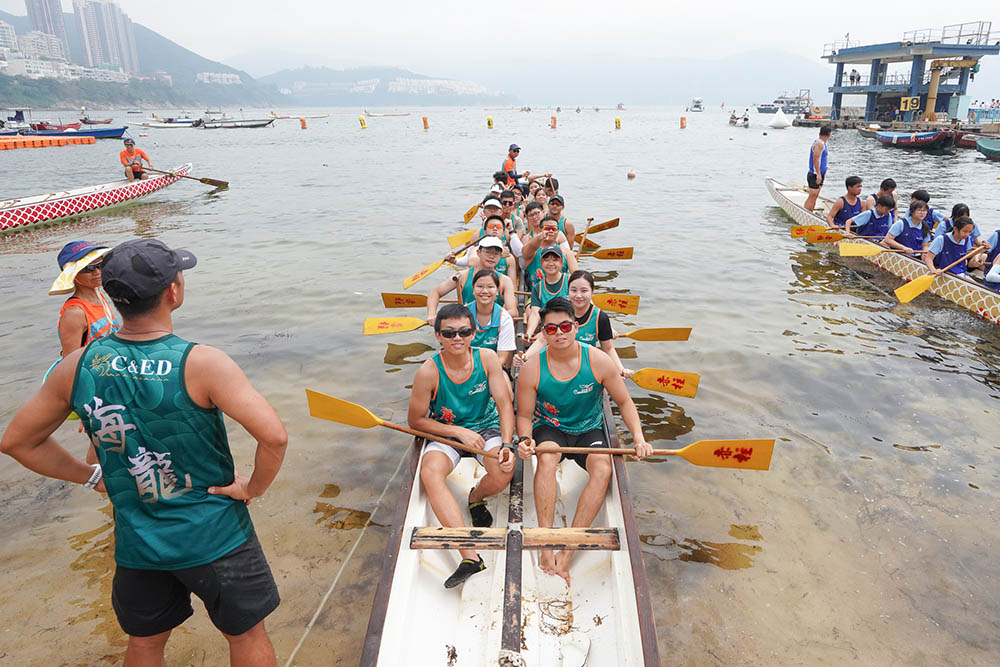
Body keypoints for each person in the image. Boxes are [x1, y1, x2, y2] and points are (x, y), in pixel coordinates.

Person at [0, 239, 288, 666]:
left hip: (139, 540)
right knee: (245, 635)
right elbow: (275, 437)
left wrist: (91, 476)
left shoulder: (78, 364)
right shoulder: (202, 362)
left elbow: (16, 442)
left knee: (146, 643)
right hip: (215, 535)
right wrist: (253, 486)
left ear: (114, 296)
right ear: (173, 291)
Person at [516, 298, 652, 583]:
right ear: (543, 332)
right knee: (547, 457)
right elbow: (525, 415)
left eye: (565, 326)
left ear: (576, 327)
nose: (559, 333)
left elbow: (625, 403)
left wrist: (639, 438)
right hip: (550, 426)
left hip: (589, 428)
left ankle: (568, 551)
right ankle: (545, 541)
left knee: (603, 469)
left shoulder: (599, 360)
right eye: (551, 329)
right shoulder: (532, 368)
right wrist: (526, 439)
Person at [407, 304, 516, 588]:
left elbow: (504, 404)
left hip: (486, 425)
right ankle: (470, 557)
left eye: (464, 332)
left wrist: (506, 444)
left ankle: (475, 497)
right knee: (430, 473)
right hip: (448, 431)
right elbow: (416, 421)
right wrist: (457, 431)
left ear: (474, 333)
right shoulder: (428, 372)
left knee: (504, 471)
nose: (458, 338)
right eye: (450, 333)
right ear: (438, 336)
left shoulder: (488, 358)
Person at [518, 270, 632, 378]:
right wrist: (525, 357)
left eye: (584, 291)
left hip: (585, 366)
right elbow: (543, 340)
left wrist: (621, 370)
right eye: (573, 290)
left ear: (592, 292)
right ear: (568, 291)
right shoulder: (559, 311)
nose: (578, 296)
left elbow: (608, 348)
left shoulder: (600, 318)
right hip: (557, 362)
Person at [49, 241, 121, 357]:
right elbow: (69, 360)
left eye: (100, 265)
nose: (97, 272)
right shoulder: (75, 313)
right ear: (73, 274)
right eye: (88, 268)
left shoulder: (99, 296)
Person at [429, 236, 519, 323]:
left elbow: (513, 311)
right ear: (478, 253)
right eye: (487, 252)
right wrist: (432, 314)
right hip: (466, 326)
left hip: (492, 326)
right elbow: (435, 292)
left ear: (500, 256)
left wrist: (485, 319)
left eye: (496, 253)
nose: (491, 256)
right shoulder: (462, 276)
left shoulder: (505, 281)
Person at [468, 269, 517, 371]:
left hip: (494, 369)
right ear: (473, 289)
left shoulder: (504, 318)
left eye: (490, 287)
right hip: (465, 367)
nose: (485, 291)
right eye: (480, 286)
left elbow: (501, 358)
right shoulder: (462, 315)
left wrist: (480, 375)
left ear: (497, 291)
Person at [523, 245, 571, 342]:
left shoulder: (570, 281)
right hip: (550, 330)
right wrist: (529, 333)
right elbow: (535, 314)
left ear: (561, 262)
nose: (551, 263)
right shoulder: (538, 288)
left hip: (568, 328)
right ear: (541, 263)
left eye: (555, 260)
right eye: (547, 260)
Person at [521, 215, 578, 291]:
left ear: (558, 232)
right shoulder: (532, 251)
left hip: (561, 297)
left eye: (554, 229)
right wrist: (539, 238)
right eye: (547, 228)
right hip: (536, 296)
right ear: (540, 230)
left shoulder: (567, 252)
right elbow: (529, 248)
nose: (551, 231)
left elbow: (577, 276)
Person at [804, 126, 832, 212]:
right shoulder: (819, 143)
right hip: (815, 174)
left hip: (820, 173)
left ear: (819, 133)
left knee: (815, 196)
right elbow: (815, 159)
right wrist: (818, 174)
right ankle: (806, 213)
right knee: (812, 195)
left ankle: (810, 212)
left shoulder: (822, 143)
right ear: (829, 135)